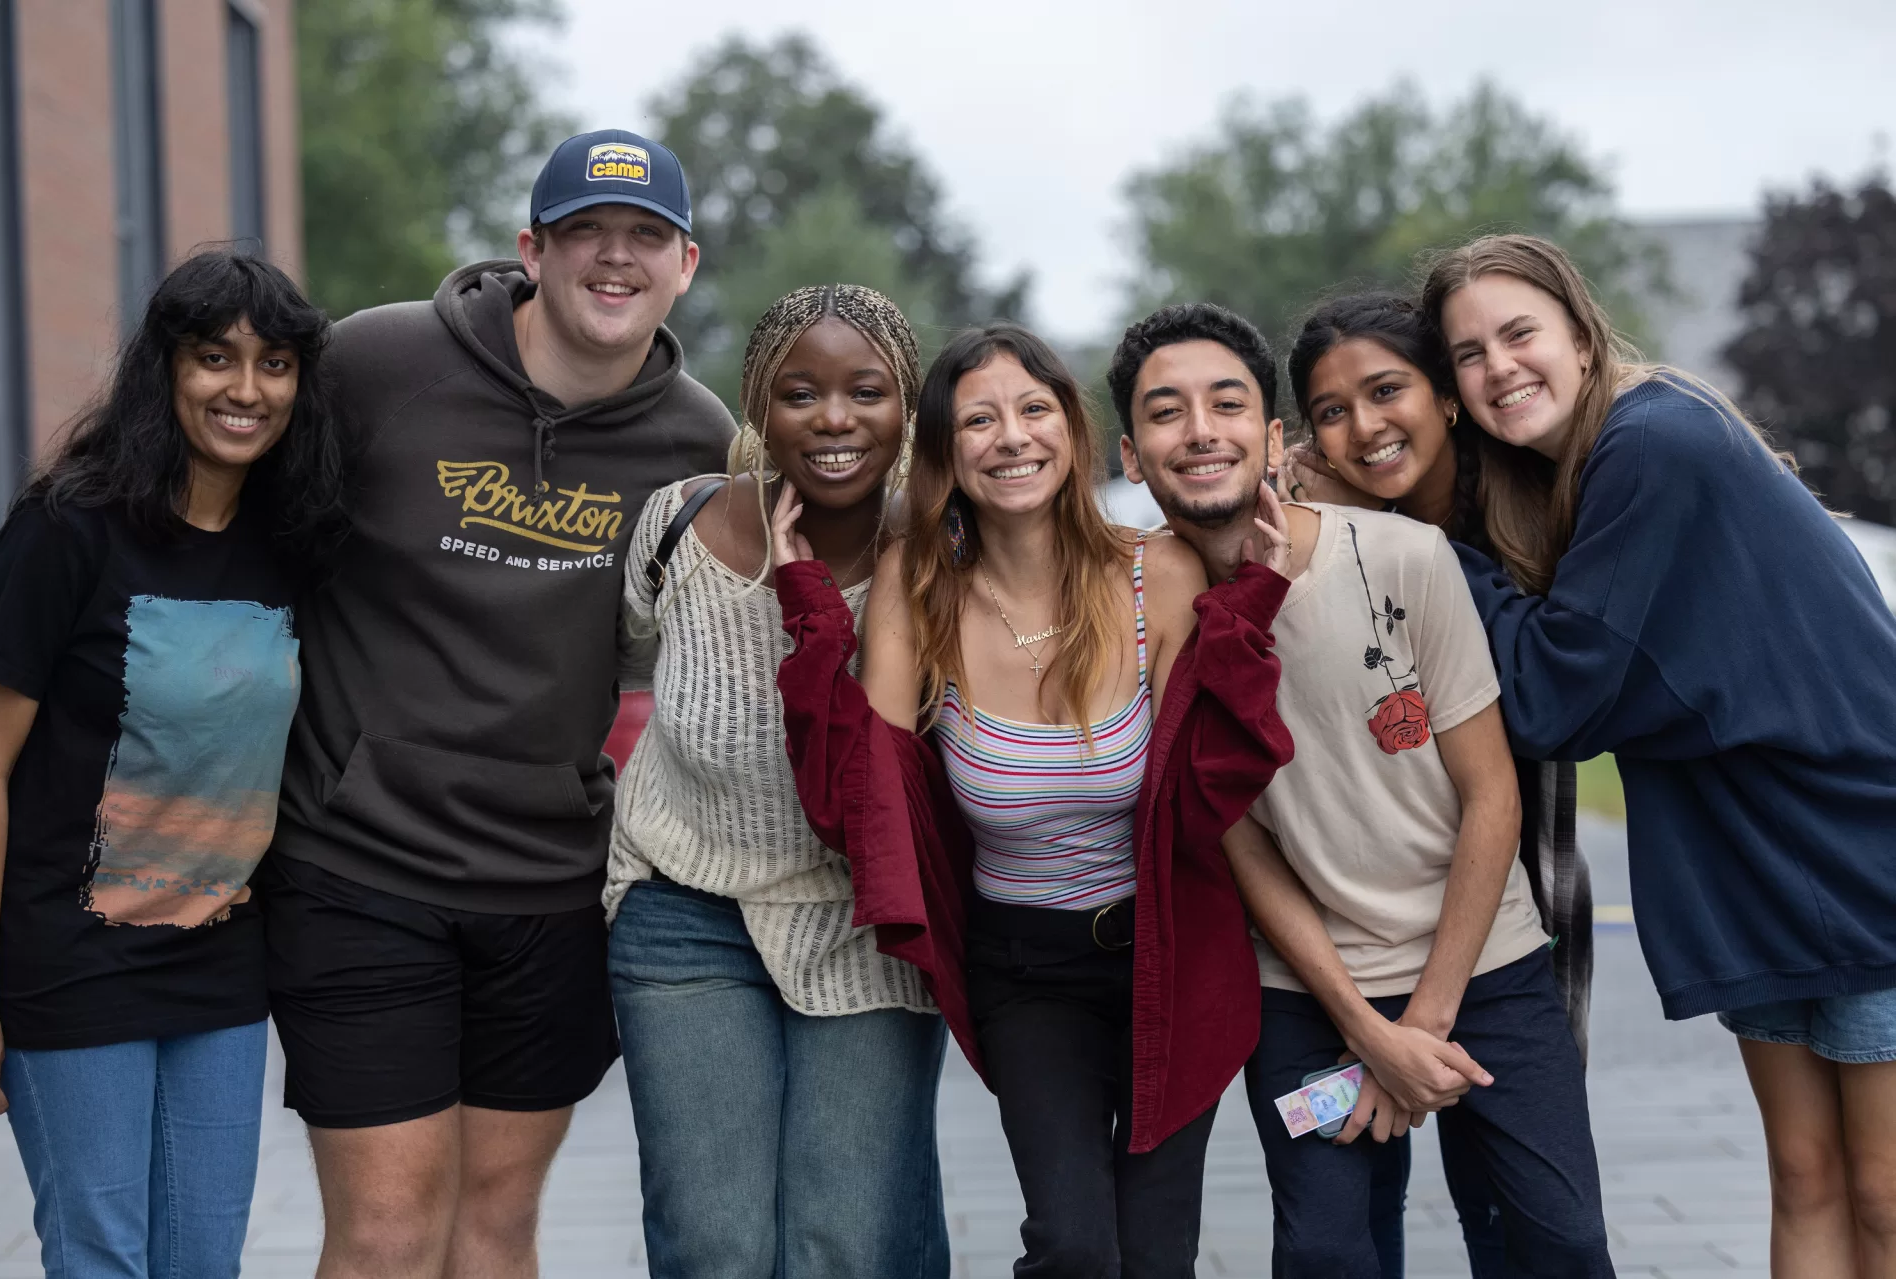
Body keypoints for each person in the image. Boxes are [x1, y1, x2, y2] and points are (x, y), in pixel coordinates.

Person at [258, 129, 736, 1279]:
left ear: (685, 263)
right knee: (384, 1235)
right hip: (359, 866)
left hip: (550, 883)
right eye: (583, 234)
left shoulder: (700, 441)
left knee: (492, 1231)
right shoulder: (376, 361)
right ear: (532, 249)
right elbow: (228, 491)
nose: (612, 260)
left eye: (643, 238)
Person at [773, 322, 1296, 1279]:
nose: (1011, 436)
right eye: (978, 418)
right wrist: (810, 608)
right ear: (944, 453)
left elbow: (1219, 774)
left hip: (1167, 950)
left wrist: (1253, 604)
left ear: (1073, 432)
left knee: (1154, 1257)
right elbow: (859, 791)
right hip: (1024, 969)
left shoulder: (1159, 574)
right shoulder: (918, 590)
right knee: (1073, 1247)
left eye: (1033, 409)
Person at [1425, 232, 1896, 1278]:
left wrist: (1435, 548)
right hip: (1744, 854)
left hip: (1863, 842)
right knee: (1806, 1177)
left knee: (1881, 1190)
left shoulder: (1654, 440)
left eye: (1518, 333)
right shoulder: (1573, 479)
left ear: (1581, 338)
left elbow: (1553, 694)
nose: (1498, 366)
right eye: (1467, 353)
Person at [1111, 301, 1613, 1278]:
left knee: (1557, 1242)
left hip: (1483, 965)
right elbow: (1236, 839)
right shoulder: (1148, 612)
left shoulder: (1399, 556)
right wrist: (1360, 1028)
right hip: (1304, 990)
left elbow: (1490, 797)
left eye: (1226, 403)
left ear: (1269, 437)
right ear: (1131, 456)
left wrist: (1418, 1026)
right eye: (1165, 412)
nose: (1199, 430)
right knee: (1326, 1252)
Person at [0, 250, 346, 1276]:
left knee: (203, 1259)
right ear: (166, 368)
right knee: (103, 1257)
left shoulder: (290, 544)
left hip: (221, 968)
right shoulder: (67, 530)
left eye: (274, 364)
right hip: (71, 960)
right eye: (214, 358)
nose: (244, 388)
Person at [604, 284, 948, 1278]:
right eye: (801, 392)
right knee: (715, 1243)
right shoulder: (676, 528)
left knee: (841, 1243)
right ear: (758, 406)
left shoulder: (935, 562)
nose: (835, 418)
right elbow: (619, 663)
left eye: (867, 391)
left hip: (863, 924)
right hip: (682, 906)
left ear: (906, 405)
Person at [1285, 291, 1600, 1276]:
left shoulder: (1521, 519)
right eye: (1332, 411)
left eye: (1388, 392)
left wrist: (1427, 1017)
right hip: (1340, 966)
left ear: (1446, 398)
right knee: (1340, 1216)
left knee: (1522, 1215)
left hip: (1514, 918)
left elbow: (1552, 716)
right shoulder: (1307, 541)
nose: (1365, 427)